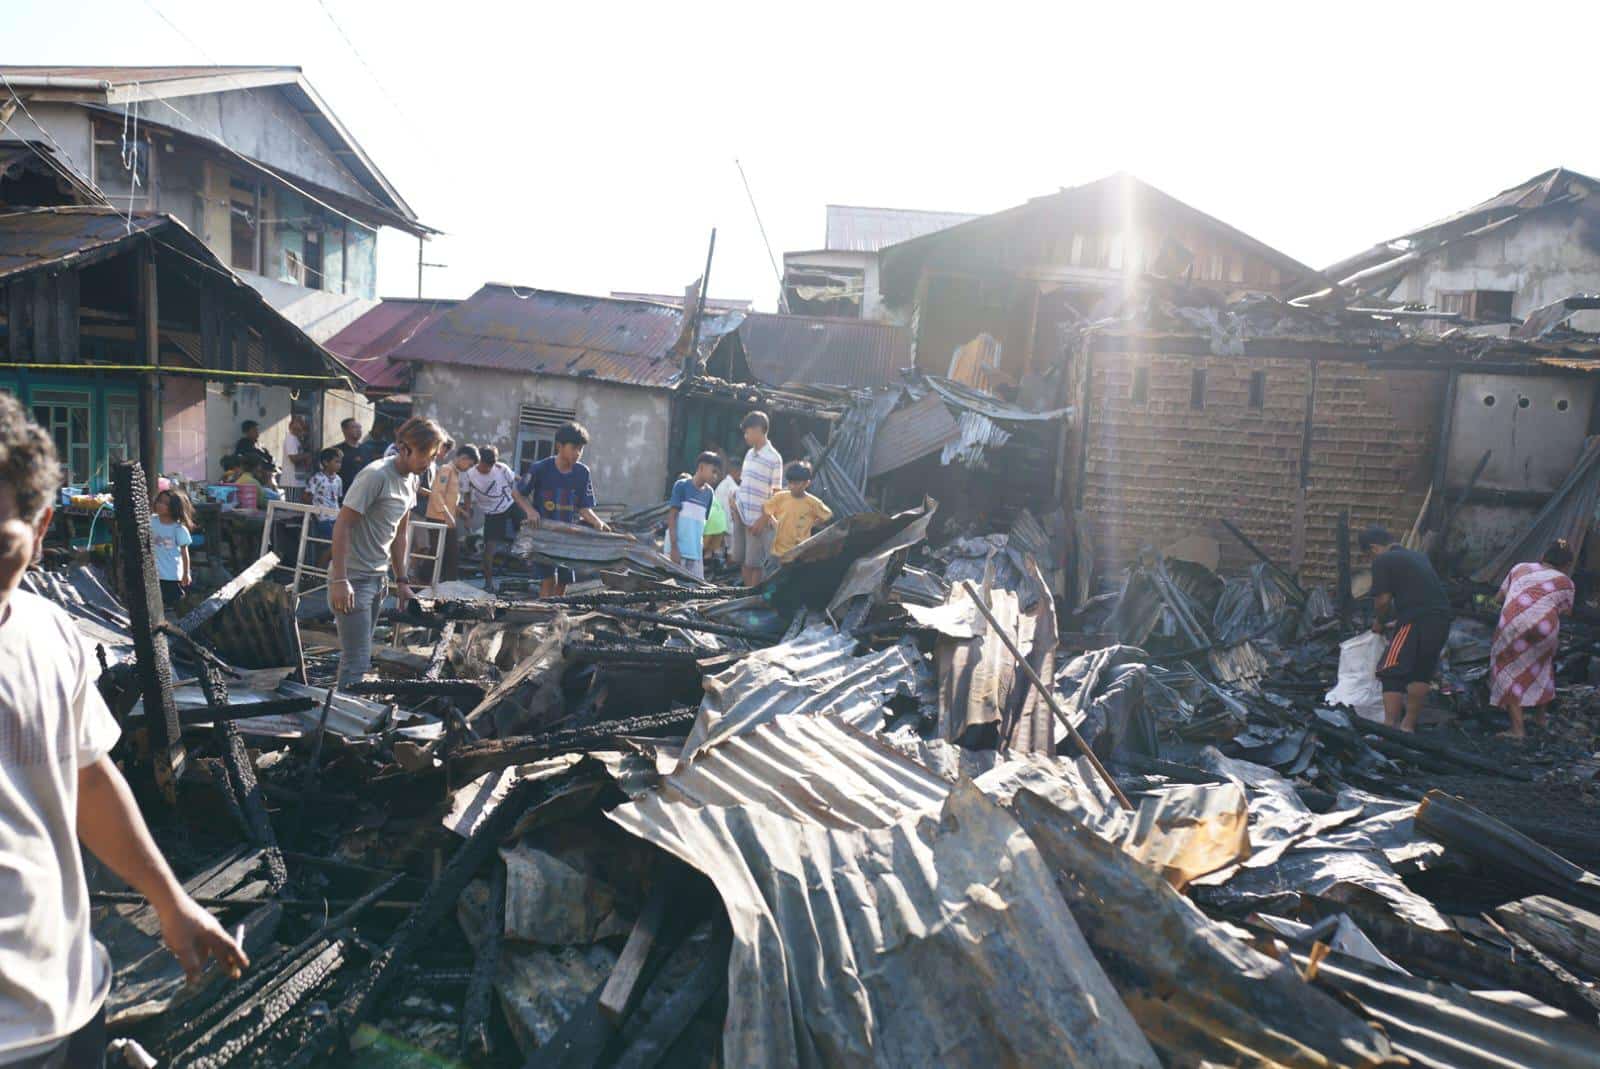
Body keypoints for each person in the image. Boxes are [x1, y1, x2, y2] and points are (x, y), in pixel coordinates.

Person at [0, 394, 247, 1065]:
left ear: (42, 524)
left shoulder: (49, 633)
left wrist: (170, 900)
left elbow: (86, 777)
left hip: (66, 1000)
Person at [328, 417, 447, 686]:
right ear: (404, 449)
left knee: (359, 656)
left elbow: (400, 533)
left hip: (377, 579)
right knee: (356, 660)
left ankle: (343, 714)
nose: (429, 463)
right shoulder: (375, 475)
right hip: (353, 579)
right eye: (426, 456)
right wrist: (339, 579)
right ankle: (344, 721)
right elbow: (343, 524)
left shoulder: (411, 481)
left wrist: (401, 580)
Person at [1361, 525, 1453, 733]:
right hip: (1441, 619)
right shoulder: (1418, 557)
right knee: (1420, 671)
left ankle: (1390, 726)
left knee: (1390, 670)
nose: (1370, 560)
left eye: (1368, 556)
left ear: (1374, 548)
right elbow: (1421, 593)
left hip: (1416, 619)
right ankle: (1408, 727)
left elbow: (1383, 601)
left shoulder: (1383, 561)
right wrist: (1400, 621)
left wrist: (1379, 622)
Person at [1490, 539, 1577, 740]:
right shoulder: (1566, 582)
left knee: (1508, 671)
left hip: (1513, 625)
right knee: (1543, 668)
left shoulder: (1520, 568)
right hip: (1545, 629)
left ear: (1542, 557)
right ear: (1566, 565)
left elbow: (1498, 598)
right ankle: (1540, 718)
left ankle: (1517, 730)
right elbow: (1567, 611)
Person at [520, 423, 610, 597]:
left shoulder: (582, 472)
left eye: (581, 449)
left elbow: (584, 508)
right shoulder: (540, 468)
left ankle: (555, 616)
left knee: (564, 581)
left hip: (569, 536)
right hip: (544, 535)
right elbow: (518, 493)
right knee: (548, 579)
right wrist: (530, 511)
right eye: (574, 448)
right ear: (559, 446)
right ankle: (542, 615)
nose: (578, 453)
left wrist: (598, 523)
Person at [462, 445, 538, 594]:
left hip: (510, 503)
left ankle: (532, 567)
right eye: (486, 466)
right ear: (479, 461)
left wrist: (529, 493)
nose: (489, 469)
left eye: (492, 465)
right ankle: (488, 583)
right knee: (490, 547)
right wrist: (467, 514)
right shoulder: (469, 475)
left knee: (530, 529)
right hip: (492, 512)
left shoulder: (501, 468)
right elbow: (466, 494)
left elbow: (517, 483)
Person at [736, 412, 784, 587]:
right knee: (746, 562)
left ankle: (753, 601)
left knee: (761, 565)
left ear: (758, 430)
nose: (745, 436)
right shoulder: (749, 454)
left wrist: (762, 520)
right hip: (744, 517)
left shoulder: (774, 458)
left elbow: (777, 495)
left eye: (747, 432)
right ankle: (745, 598)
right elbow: (744, 483)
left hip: (760, 521)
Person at [762, 461, 833, 565]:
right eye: (790, 483)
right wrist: (774, 523)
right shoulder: (780, 497)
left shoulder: (812, 502)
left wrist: (811, 524)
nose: (792, 486)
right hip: (779, 550)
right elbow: (766, 508)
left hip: (800, 551)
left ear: (806, 483)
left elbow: (828, 515)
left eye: (796, 483)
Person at [667, 453, 721, 580]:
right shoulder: (681, 486)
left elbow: (701, 527)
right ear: (701, 467)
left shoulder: (709, 493)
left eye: (717, 473)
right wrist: (674, 548)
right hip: (677, 552)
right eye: (713, 471)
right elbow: (672, 518)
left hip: (695, 554)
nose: (715, 476)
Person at [427, 445, 476, 582]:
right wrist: (447, 514)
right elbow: (437, 494)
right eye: (469, 464)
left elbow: (450, 500)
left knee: (451, 555)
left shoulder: (455, 473)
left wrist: (461, 512)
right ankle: (425, 580)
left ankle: (447, 583)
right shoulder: (446, 470)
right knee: (440, 553)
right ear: (463, 458)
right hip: (438, 518)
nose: (469, 468)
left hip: (447, 519)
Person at [151, 489, 196, 610]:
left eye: (165, 503)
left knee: (174, 603)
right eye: (159, 501)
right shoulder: (151, 521)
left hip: (172, 574)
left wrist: (186, 573)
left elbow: (184, 553)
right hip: (154, 572)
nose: (160, 505)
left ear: (174, 507)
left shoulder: (178, 529)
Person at [308, 446, 344, 567]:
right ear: (325, 462)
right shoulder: (317, 478)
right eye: (336, 462)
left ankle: (327, 573)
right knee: (329, 545)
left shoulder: (338, 479)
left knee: (338, 546)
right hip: (323, 518)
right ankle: (317, 574)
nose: (339, 465)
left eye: (340, 462)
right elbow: (306, 496)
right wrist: (313, 512)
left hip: (336, 517)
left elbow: (338, 499)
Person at [712, 456, 742, 568]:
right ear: (736, 471)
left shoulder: (722, 485)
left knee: (719, 554)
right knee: (732, 554)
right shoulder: (733, 488)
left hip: (718, 525)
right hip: (729, 525)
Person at [335, 418, 374, 496]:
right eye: (354, 427)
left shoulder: (367, 449)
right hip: (344, 495)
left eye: (359, 427)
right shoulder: (337, 451)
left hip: (364, 494)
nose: (358, 430)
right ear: (344, 430)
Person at [281, 415, 311, 502]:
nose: (299, 427)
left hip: (298, 480)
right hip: (291, 481)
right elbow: (293, 458)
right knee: (292, 508)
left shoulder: (296, 439)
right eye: (297, 424)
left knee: (297, 508)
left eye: (301, 424)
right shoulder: (290, 439)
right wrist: (307, 455)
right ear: (291, 426)